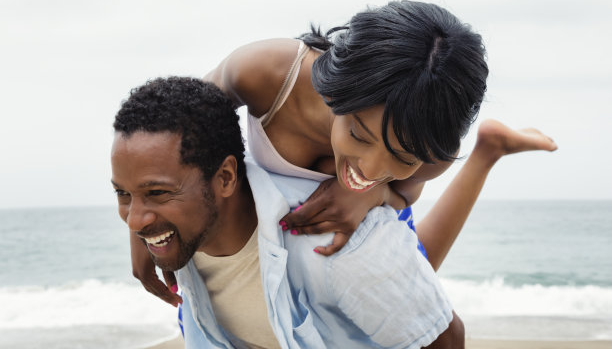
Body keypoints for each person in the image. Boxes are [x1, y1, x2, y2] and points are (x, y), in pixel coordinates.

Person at [130, 0, 557, 306]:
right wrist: (144, 226)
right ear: (336, 92)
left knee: (408, 280)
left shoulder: (433, 146)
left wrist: (374, 195)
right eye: (359, 134)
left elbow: (404, 195)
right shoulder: (265, 74)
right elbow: (171, 131)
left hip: (353, 220)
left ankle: (487, 150)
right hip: (257, 221)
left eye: (401, 157)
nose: (371, 168)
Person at [111, 77, 464, 348]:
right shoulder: (185, 234)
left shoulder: (341, 249)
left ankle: (485, 153)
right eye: (123, 194)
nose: (135, 218)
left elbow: (444, 339)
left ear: (225, 178)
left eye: (157, 193)